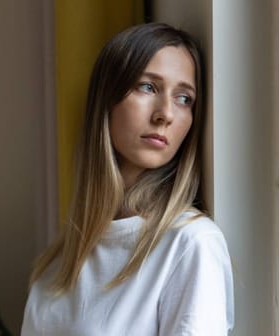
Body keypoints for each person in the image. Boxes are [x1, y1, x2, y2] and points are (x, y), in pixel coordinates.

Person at [21, 22, 234, 336]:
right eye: (148, 87)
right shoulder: (58, 262)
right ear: (106, 100)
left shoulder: (190, 245)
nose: (166, 114)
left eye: (184, 98)